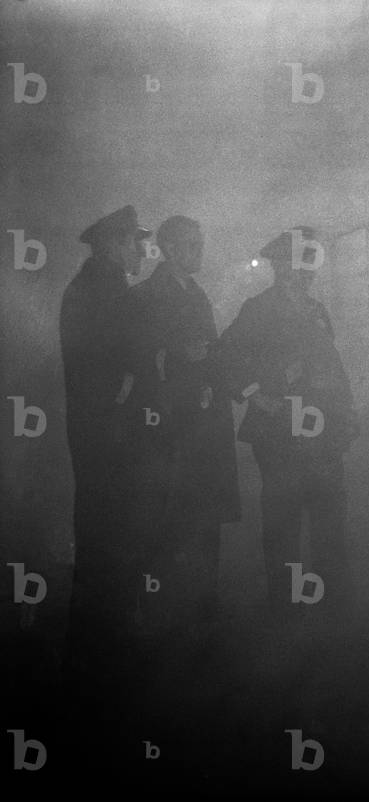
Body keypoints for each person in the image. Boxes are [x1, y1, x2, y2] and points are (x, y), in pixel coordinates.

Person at [215, 227, 358, 618]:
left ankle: (333, 604)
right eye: (299, 263)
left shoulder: (316, 310)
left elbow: (331, 366)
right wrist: (257, 392)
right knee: (283, 523)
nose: (307, 271)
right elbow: (226, 356)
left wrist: (345, 414)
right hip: (281, 435)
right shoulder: (258, 309)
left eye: (309, 262)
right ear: (281, 267)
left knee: (330, 519)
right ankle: (286, 606)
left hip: (322, 433)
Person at [126, 215, 241, 627]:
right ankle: (156, 609)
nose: (200, 252)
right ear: (171, 249)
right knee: (165, 520)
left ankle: (203, 603)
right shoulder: (144, 297)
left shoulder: (197, 294)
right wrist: (178, 355)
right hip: (168, 431)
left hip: (204, 428)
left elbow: (209, 352)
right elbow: (135, 363)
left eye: (201, 243)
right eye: (192, 244)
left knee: (205, 518)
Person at [59, 204, 151, 672]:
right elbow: (115, 365)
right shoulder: (105, 290)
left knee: (101, 534)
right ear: (115, 245)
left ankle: (97, 642)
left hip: (99, 432)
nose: (141, 249)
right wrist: (127, 391)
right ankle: (107, 647)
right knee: (113, 534)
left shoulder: (90, 287)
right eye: (135, 240)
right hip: (111, 435)